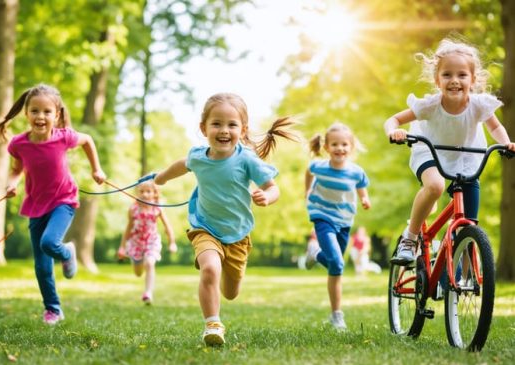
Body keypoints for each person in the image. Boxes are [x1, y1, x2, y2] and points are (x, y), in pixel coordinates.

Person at [153, 92, 298, 346]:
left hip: (238, 235)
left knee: (231, 292)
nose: (224, 130)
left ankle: (221, 282)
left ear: (242, 129)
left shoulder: (246, 160)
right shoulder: (198, 156)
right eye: (216, 123)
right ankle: (213, 324)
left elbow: (274, 188)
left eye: (232, 125)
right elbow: (181, 164)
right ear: (203, 128)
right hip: (204, 227)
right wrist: (161, 178)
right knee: (210, 268)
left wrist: (267, 196)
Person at [384, 37, 515, 264]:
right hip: (430, 151)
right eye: (447, 75)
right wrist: (394, 131)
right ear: (437, 80)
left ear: (472, 80)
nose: (455, 81)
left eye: (462, 75)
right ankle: (410, 238)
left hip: (466, 157)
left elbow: (495, 126)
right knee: (434, 187)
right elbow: (394, 119)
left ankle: (458, 278)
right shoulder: (430, 106)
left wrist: (506, 143)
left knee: (469, 224)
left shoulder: (479, 104)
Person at [0, 84, 106, 325]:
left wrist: (96, 169)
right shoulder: (18, 144)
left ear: (56, 115)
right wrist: (11, 184)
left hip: (63, 200)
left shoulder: (64, 137)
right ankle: (53, 309)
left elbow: (87, 140)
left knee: (49, 243)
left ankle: (67, 252)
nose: (40, 117)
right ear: (26, 114)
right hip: (36, 205)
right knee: (42, 265)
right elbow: (16, 170)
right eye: (35, 111)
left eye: (47, 112)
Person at [304, 122, 371, 330]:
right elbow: (308, 171)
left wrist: (365, 199)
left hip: (344, 221)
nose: (339, 148)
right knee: (338, 263)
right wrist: (307, 192)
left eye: (344, 144)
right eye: (334, 144)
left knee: (335, 265)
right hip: (322, 216)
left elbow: (361, 186)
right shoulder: (320, 167)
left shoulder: (356, 172)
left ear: (351, 147)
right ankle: (338, 316)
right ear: (326, 148)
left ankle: (315, 253)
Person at [117, 181, 178, 305]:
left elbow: (167, 226)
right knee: (138, 272)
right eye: (142, 191)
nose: (144, 194)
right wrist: (122, 247)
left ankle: (148, 293)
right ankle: (137, 263)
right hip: (136, 242)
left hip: (152, 241)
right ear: (137, 193)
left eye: (148, 191)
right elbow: (128, 228)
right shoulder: (133, 208)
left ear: (154, 194)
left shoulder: (157, 208)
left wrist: (172, 242)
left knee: (149, 263)